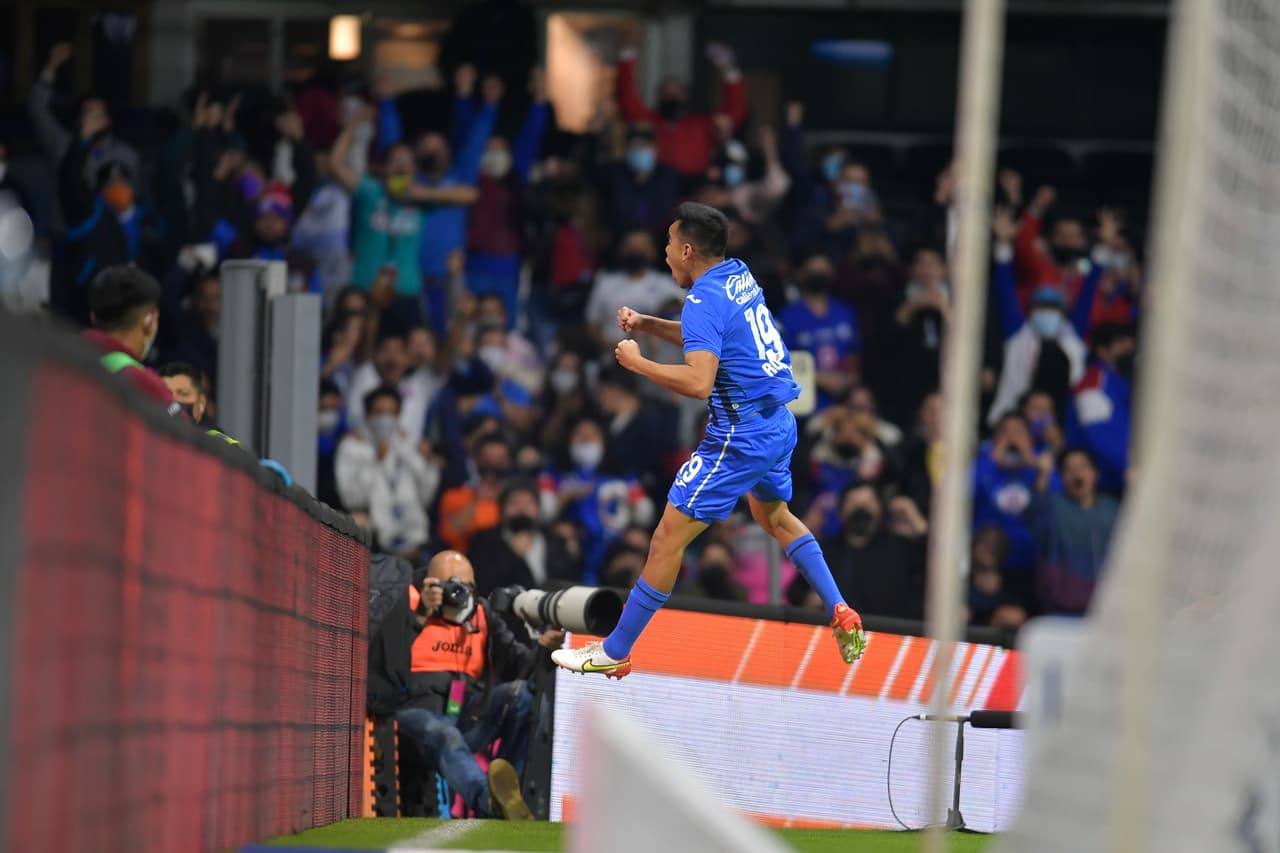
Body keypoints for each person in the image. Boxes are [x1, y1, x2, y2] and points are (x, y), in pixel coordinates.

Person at [551, 202, 865, 679]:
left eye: (670, 244)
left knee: (664, 541)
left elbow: (699, 382)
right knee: (775, 517)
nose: (664, 252)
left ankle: (614, 651)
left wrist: (638, 363)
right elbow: (712, 336)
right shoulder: (737, 276)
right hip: (778, 425)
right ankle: (840, 607)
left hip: (737, 437)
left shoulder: (701, 300)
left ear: (687, 249)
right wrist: (650, 325)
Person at [367, 551, 564, 820]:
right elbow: (381, 663)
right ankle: (491, 803)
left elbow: (523, 667)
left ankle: (508, 791)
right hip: (412, 719)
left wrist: (544, 650)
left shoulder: (481, 614)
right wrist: (419, 617)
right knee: (442, 732)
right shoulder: (407, 603)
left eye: (466, 587)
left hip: (465, 715)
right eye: (450, 585)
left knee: (523, 697)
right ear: (431, 582)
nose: (458, 594)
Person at [84, 265, 174, 407]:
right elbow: (181, 426)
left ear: (93, 317)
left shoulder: (57, 360)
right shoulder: (146, 386)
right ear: (150, 321)